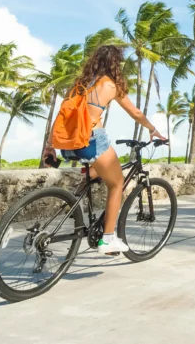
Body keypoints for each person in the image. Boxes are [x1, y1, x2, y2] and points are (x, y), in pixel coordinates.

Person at [44, 44, 164, 255]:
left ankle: (77, 195)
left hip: (69, 143)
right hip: (91, 140)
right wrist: (153, 130)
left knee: (100, 169)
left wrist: (50, 145)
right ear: (115, 63)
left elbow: (63, 114)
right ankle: (108, 239)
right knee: (117, 183)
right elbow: (135, 112)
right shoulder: (110, 85)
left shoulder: (79, 84)